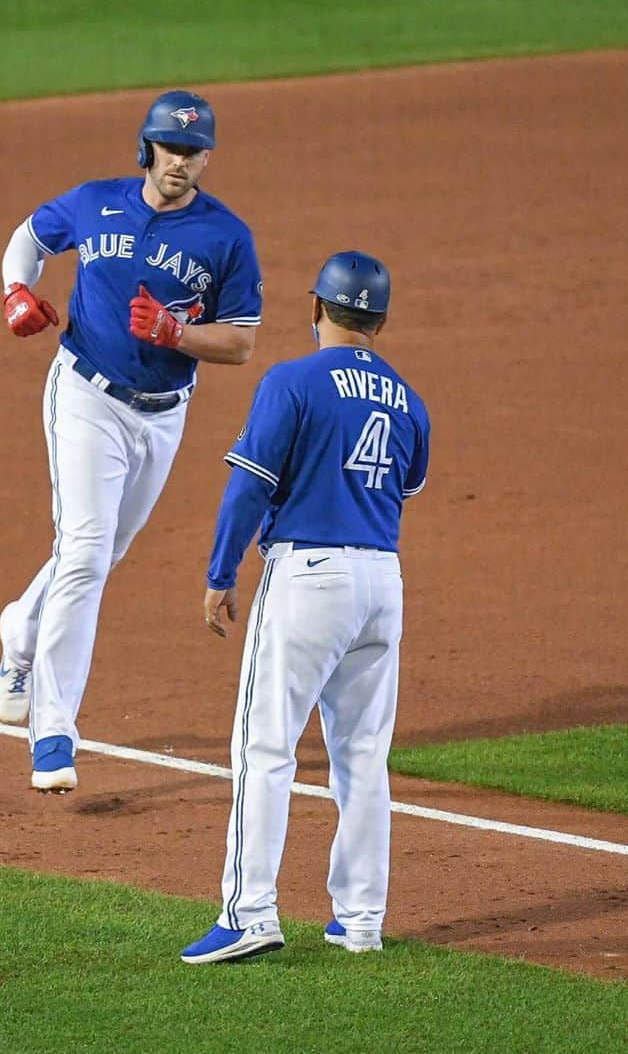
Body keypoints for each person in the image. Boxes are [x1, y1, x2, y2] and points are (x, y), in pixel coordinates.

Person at [0, 90, 263, 794]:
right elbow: (29, 236)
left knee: (99, 553)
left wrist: (176, 334)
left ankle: (20, 629)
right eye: (170, 148)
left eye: (194, 151)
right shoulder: (95, 201)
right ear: (147, 148)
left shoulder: (226, 237)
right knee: (84, 552)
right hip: (85, 392)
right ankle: (53, 732)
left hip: (163, 414)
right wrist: (17, 293)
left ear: (207, 157)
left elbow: (240, 343)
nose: (180, 162)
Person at [180, 251, 430, 964]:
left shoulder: (291, 381)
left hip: (308, 576)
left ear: (315, 308)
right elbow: (404, 486)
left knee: (265, 747)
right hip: (383, 582)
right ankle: (361, 919)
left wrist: (220, 570)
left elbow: (250, 488)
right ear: (378, 321)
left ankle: (250, 911)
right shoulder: (408, 399)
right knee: (362, 755)